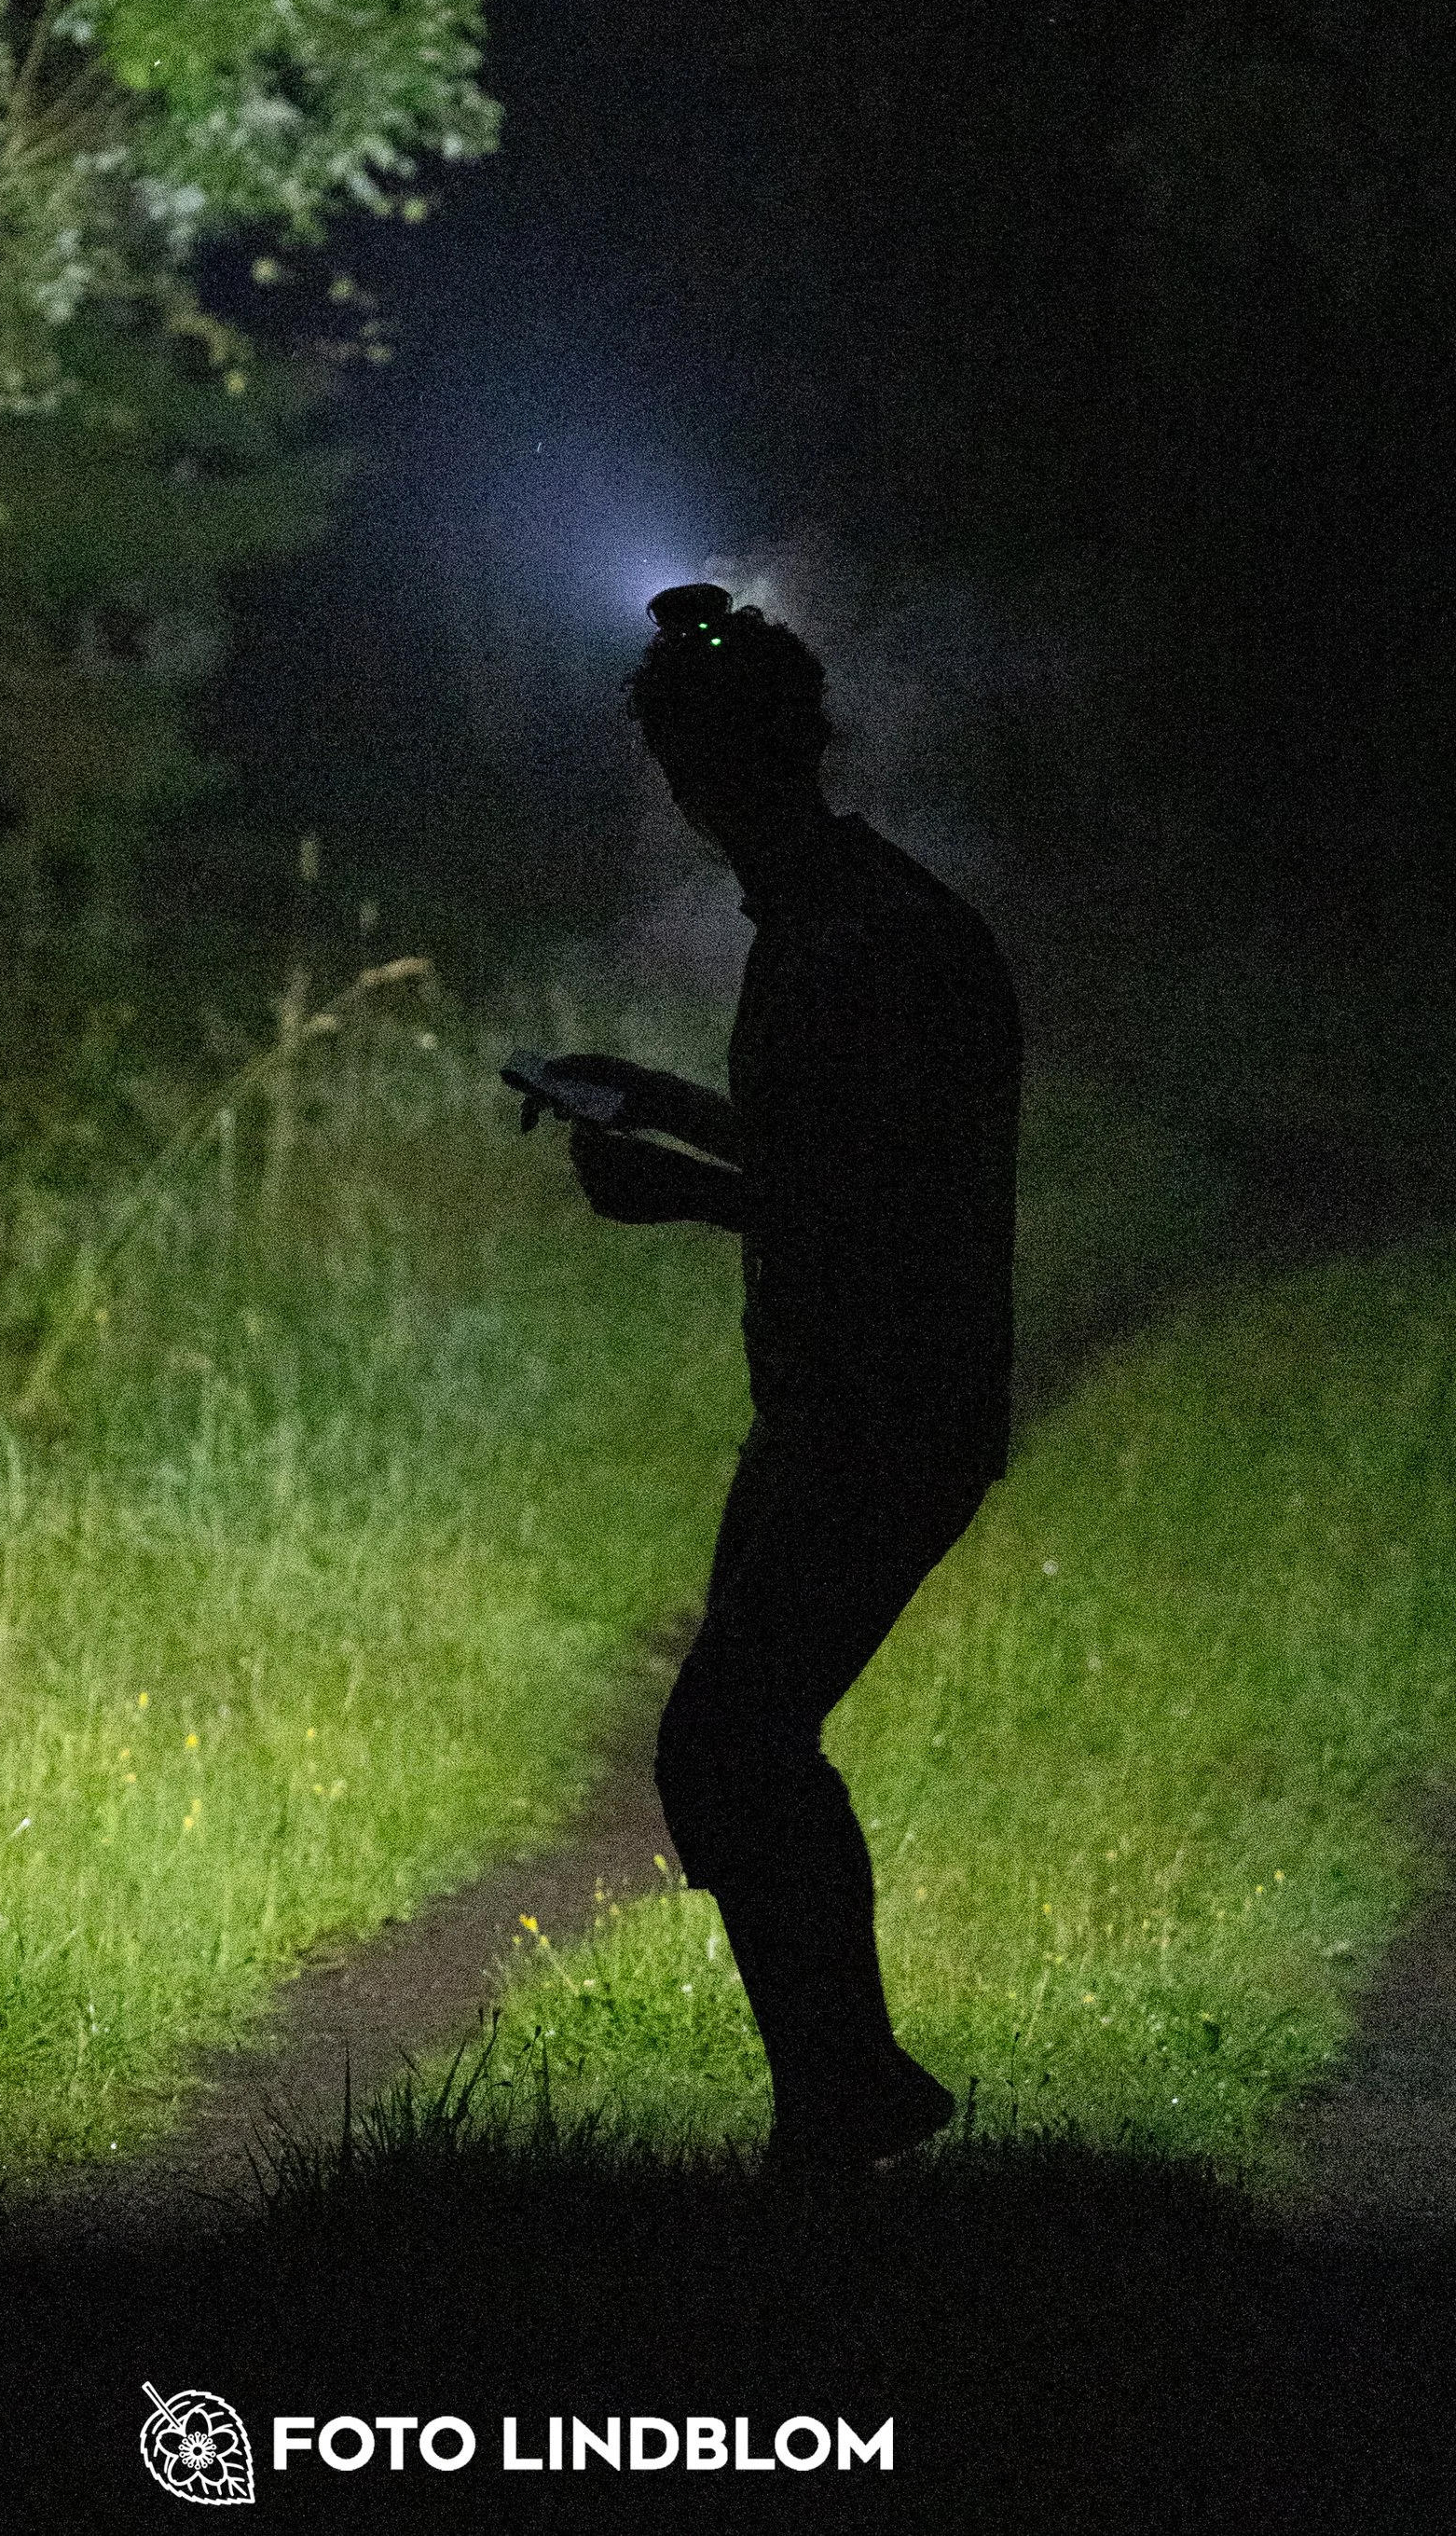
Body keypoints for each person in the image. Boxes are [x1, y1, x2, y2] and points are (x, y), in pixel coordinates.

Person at [542, 581, 1021, 2177]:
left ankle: (844, 2095)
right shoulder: (855, 911)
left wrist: (677, 1191)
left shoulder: (848, 938)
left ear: (693, 776)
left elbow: (882, 1201)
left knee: (731, 1745)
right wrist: (669, 1101)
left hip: (883, 1411)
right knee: (743, 1744)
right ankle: (843, 2091)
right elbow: (841, 1147)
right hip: (847, 1403)